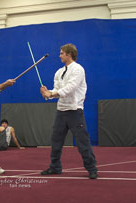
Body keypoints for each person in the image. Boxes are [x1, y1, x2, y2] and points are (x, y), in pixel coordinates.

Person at [39, 43, 98, 179]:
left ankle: (91, 168)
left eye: (61, 53)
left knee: (82, 142)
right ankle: (55, 167)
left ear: (69, 54)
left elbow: (70, 88)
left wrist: (51, 94)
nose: (59, 55)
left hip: (74, 111)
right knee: (56, 141)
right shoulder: (58, 72)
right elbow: (57, 90)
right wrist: (47, 92)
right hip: (61, 111)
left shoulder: (78, 69)